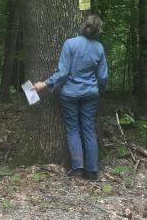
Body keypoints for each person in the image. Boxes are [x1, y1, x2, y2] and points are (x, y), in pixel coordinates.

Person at [34, 13, 108, 180]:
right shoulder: (99, 48)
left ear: (83, 26)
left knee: (73, 129)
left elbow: (63, 72)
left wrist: (44, 84)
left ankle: (77, 168)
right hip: (91, 94)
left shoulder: (70, 44)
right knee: (88, 128)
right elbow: (103, 77)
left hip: (70, 94)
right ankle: (92, 170)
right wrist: (99, 90)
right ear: (97, 31)